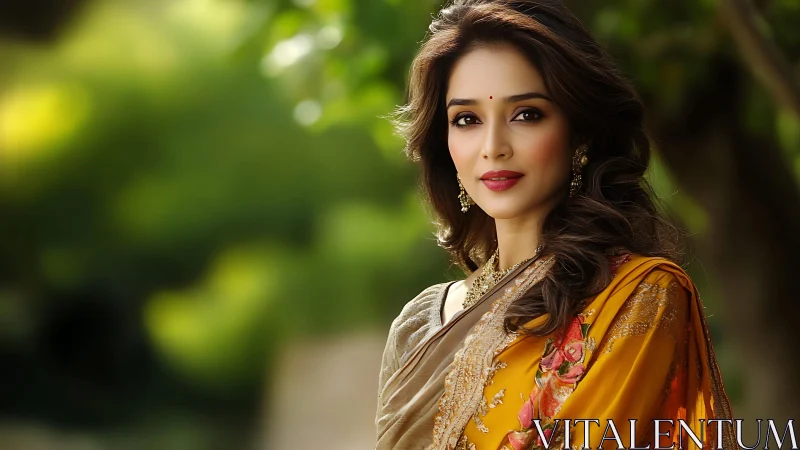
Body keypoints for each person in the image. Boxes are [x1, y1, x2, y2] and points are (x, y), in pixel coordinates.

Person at [375, 1, 734, 449]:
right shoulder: (418, 326)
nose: (493, 147)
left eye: (527, 114)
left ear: (579, 134)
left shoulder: (639, 298)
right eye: (466, 119)